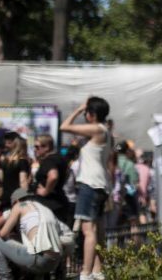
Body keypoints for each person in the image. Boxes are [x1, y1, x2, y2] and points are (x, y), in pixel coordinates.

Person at [60, 96, 112, 280]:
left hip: (90, 184)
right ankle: (97, 271)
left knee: (87, 231)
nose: (85, 115)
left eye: (87, 112)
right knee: (96, 231)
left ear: (92, 114)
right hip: (100, 184)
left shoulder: (97, 129)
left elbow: (64, 126)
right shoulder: (106, 131)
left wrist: (78, 109)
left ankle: (86, 273)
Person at [0, 188, 72, 280]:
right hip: (55, 261)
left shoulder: (19, 206)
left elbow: (2, 234)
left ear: (16, 201)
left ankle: (5, 278)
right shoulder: (45, 209)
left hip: (38, 259)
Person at [32, 134, 72, 226]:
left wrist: (46, 191)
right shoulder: (60, 158)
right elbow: (67, 173)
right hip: (59, 201)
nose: (35, 149)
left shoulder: (49, 160)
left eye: (37, 147)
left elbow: (53, 176)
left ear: (47, 147)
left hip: (49, 204)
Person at [0, 133, 30, 215]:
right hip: (16, 198)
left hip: (5, 198)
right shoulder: (22, 162)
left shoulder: (4, 161)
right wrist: (24, 199)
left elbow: (0, 178)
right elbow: (23, 181)